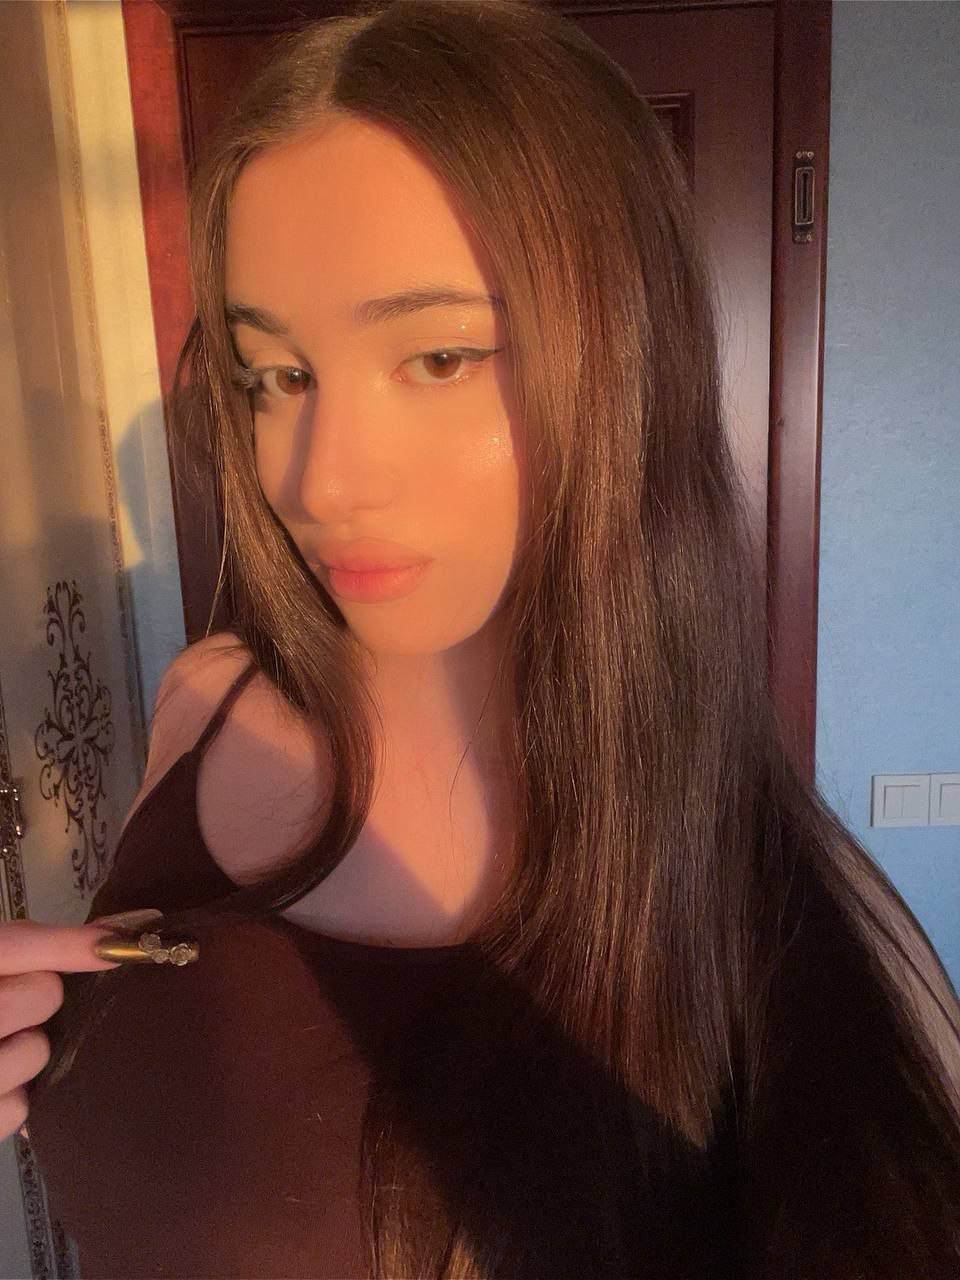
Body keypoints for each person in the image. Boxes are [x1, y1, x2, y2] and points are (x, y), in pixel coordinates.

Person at [3, 0, 959, 1275]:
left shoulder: (799, 943)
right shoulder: (206, 699)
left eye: (440, 357)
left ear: (623, 362)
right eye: (277, 376)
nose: (318, 479)